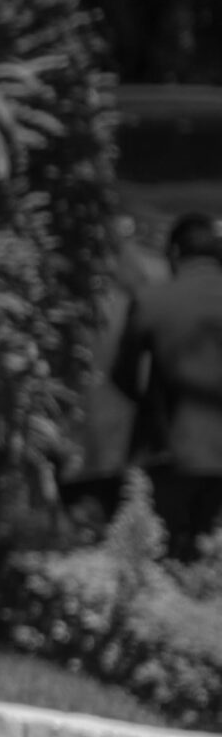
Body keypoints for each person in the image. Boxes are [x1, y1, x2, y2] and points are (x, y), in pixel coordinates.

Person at [114, 213, 222, 556]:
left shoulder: (152, 301)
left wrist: (151, 407)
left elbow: (122, 375)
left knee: (164, 555)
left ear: (174, 253)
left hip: (171, 452)